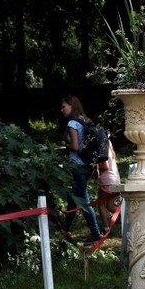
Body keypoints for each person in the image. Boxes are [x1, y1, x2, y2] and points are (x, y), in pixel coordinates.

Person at [59, 96, 103, 243]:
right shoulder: (86, 120)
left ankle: (96, 234)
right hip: (87, 166)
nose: (62, 110)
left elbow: (76, 147)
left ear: (71, 106)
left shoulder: (72, 123)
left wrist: (65, 145)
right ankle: (64, 230)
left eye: (64, 106)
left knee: (83, 202)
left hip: (76, 166)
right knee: (74, 199)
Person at [94, 143, 121, 233]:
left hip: (107, 181)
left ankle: (106, 228)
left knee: (100, 203)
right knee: (110, 206)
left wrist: (95, 166)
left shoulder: (101, 150)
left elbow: (105, 166)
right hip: (115, 180)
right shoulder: (110, 150)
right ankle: (128, 217)